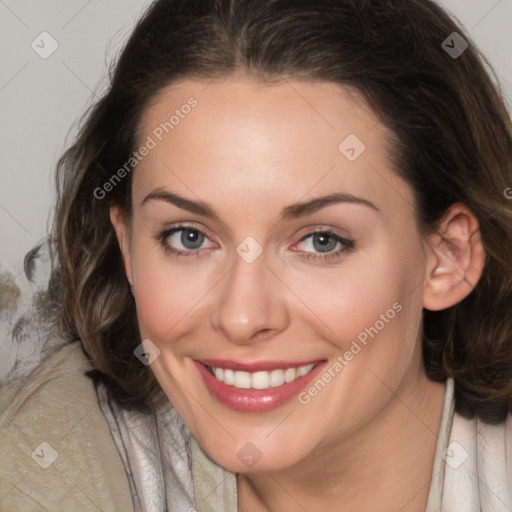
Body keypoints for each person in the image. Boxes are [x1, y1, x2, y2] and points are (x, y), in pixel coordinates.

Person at [1, 0, 512, 510]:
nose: (243, 317)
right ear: (127, 245)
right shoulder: (38, 466)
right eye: (189, 237)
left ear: (447, 258)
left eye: (321, 241)